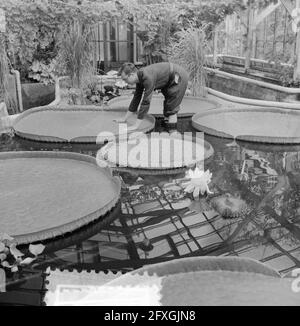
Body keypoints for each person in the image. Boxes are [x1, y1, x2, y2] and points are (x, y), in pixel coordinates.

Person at [114, 62, 189, 131]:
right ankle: (167, 130)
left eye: (125, 79)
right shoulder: (139, 77)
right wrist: (125, 118)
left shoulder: (147, 77)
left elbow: (146, 101)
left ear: (132, 75)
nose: (125, 82)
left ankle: (173, 135)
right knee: (167, 106)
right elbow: (136, 98)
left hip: (177, 76)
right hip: (168, 81)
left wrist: (136, 125)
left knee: (171, 109)